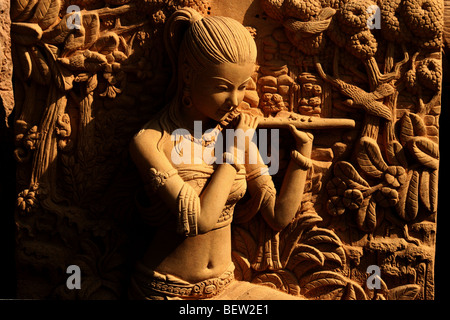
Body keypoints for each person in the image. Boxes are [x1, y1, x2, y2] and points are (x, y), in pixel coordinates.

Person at [128, 7, 313, 300]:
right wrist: (234, 151)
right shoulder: (150, 141)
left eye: (242, 88)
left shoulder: (232, 131)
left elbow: (278, 217)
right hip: (166, 292)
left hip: (224, 288)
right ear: (188, 74)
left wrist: (303, 152)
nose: (235, 100)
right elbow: (199, 221)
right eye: (223, 88)